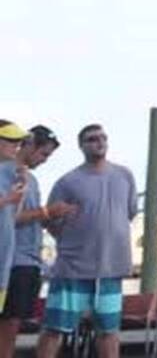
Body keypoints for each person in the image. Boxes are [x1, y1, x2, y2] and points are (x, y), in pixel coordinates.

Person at [35, 124, 137, 358]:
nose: (99, 142)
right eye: (92, 139)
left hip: (111, 269)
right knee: (54, 329)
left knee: (109, 331)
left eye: (103, 137)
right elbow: (48, 219)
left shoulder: (125, 175)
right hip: (72, 269)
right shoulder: (67, 181)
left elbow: (130, 212)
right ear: (81, 146)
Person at [0, 126, 75, 358]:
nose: (44, 161)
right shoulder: (5, 173)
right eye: (43, 154)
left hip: (29, 261)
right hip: (13, 262)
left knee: (14, 325)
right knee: (8, 327)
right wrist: (46, 211)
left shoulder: (30, 178)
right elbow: (12, 216)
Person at [0, 122, 28, 324]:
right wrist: (7, 199)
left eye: (19, 141)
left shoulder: (7, 175)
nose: (17, 145)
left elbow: (13, 217)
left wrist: (20, 191)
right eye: (11, 140)